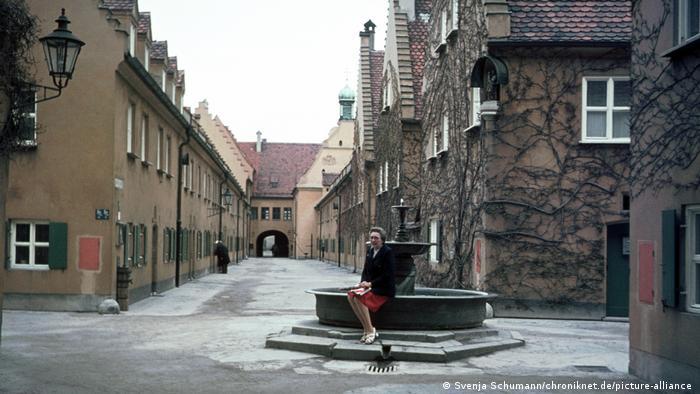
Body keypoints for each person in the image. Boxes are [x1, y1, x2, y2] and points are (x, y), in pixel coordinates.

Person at [347, 227, 395, 344]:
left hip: (383, 289)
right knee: (350, 295)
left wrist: (370, 284)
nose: (373, 240)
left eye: (376, 238)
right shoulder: (370, 251)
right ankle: (366, 329)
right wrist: (361, 283)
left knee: (359, 298)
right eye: (372, 237)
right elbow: (365, 271)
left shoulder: (387, 252)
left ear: (382, 240)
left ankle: (370, 330)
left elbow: (387, 275)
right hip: (370, 287)